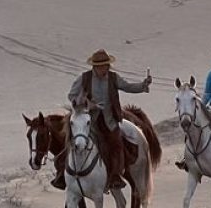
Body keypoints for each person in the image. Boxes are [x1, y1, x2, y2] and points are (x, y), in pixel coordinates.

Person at [61, 49, 151, 191]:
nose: (106, 68)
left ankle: (115, 176)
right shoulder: (84, 78)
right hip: (89, 120)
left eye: (107, 65)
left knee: (116, 144)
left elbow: (127, 86)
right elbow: (71, 95)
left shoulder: (113, 78)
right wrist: (85, 103)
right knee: (72, 140)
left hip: (109, 120)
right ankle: (63, 174)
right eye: (103, 66)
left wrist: (143, 85)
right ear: (95, 66)